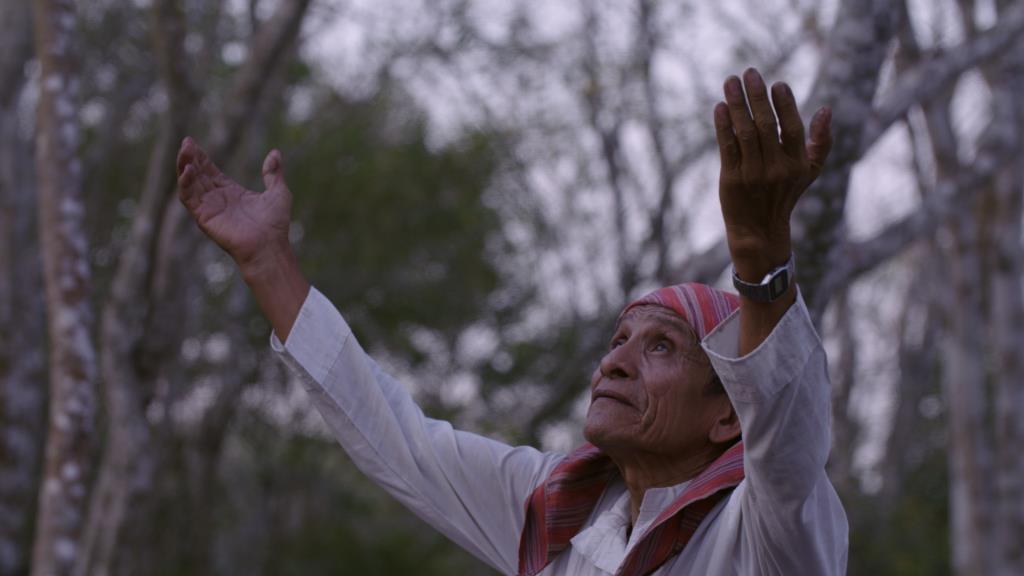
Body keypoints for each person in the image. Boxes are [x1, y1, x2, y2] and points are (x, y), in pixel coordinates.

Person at [177, 67, 848, 575]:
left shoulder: (768, 529)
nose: (614, 362)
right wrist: (269, 264)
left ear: (727, 416)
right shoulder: (559, 510)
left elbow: (787, 431)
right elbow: (400, 440)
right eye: (619, 342)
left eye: (662, 348)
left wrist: (761, 255)